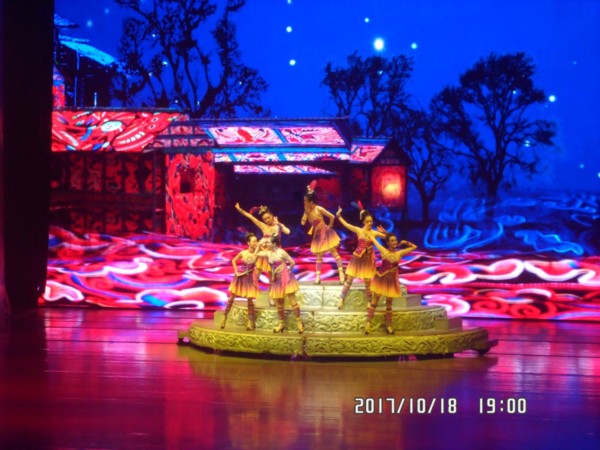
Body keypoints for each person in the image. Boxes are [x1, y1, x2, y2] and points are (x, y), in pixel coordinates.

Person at [235, 203, 290, 305]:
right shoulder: (264, 226)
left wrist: (279, 224)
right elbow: (251, 217)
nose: (267, 220)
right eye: (265, 219)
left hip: (274, 254)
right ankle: (250, 293)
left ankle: (271, 296)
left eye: (268, 218)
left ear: (272, 216)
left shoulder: (278, 226)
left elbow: (288, 232)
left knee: (272, 277)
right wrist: (240, 210)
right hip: (263, 253)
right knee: (256, 274)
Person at [336, 204, 386, 309]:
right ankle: (341, 298)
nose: (370, 223)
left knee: (367, 281)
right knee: (349, 279)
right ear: (363, 222)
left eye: (371, 221)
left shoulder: (374, 233)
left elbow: (387, 238)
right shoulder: (359, 230)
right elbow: (346, 225)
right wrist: (339, 216)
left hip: (367, 260)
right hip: (358, 258)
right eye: (367, 221)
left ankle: (369, 301)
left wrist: (384, 233)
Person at [366, 233, 417, 334]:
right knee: (374, 302)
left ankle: (389, 326)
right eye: (392, 241)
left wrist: (405, 242)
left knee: (389, 304)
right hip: (381, 279)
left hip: (391, 281)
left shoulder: (399, 253)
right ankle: (368, 324)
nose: (395, 242)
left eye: (395, 240)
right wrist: (373, 234)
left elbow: (414, 247)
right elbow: (373, 240)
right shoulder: (384, 251)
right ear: (388, 243)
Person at [256, 236, 305, 333]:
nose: (267, 244)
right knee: (279, 303)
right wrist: (259, 244)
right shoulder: (269, 253)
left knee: (292, 300)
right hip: (276, 279)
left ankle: (299, 323)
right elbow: (256, 254)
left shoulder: (281, 252)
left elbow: (292, 263)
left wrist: (288, 272)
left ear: (274, 244)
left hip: (285, 277)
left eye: (268, 242)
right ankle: (281, 324)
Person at [301, 182, 344, 284]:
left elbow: (331, 216)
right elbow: (303, 222)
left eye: (306, 201)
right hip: (317, 235)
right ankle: (318, 276)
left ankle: (341, 273)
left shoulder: (319, 209)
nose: (304, 203)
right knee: (319, 256)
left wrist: (330, 226)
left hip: (325, 232)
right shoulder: (308, 211)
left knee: (334, 252)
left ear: (311, 202)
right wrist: (305, 214)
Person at [220, 233, 261, 331]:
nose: (255, 243)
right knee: (232, 298)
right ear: (248, 243)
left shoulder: (257, 255)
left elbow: (259, 266)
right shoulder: (243, 253)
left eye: (256, 241)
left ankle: (250, 322)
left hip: (249, 277)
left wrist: (256, 277)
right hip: (239, 276)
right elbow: (234, 260)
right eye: (254, 241)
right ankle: (224, 316)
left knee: (250, 300)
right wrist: (235, 270)